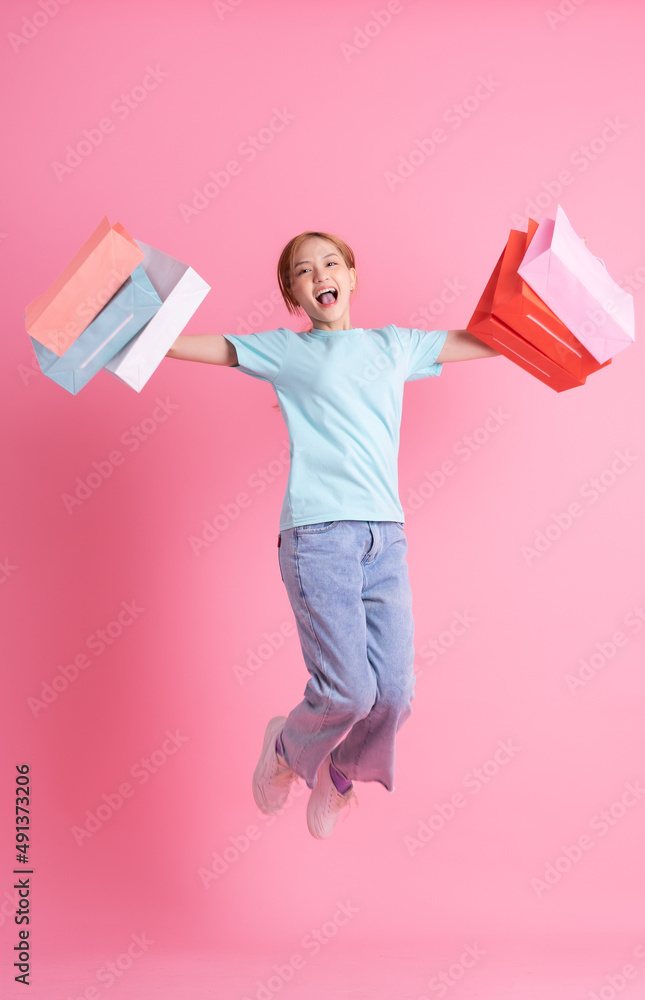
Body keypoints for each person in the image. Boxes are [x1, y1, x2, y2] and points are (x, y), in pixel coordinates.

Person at [166, 231, 499, 839]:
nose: (318, 274)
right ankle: (287, 751)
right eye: (301, 271)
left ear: (350, 274)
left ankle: (342, 774)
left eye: (328, 262)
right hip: (318, 538)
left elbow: (486, 340)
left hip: (385, 538)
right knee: (347, 690)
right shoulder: (287, 353)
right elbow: (206, 347)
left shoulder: (395, 346)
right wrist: (135, 335)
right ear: (294, 294)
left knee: (394, 693)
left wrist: (550, 330)